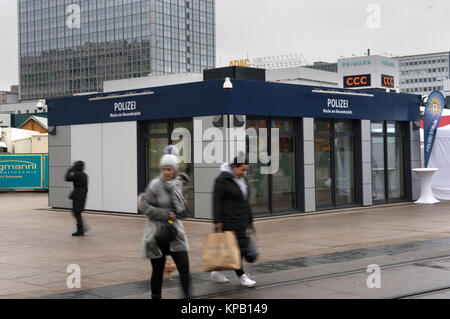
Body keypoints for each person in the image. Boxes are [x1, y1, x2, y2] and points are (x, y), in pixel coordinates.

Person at [138, 145, 191, 299]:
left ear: (175, 170)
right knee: (157, 270)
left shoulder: (179, 184)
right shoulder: (155, 185)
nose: (166, 172)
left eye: (170, 169)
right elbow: (144, 205)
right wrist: (166, 214)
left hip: (175, 233)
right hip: (157, 234)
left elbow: (182, 209)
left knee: (184, 269)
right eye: (164, 169)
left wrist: (181, 212)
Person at [211, 155, 257, 287]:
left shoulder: (242, 180)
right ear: (233, 167)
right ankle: (241, 276)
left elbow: (245, 201)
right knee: (235, 250)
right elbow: (216, 202)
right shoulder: (222, 180)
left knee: (234, 250)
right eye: (242, 169)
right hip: (228, 221)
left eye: (246, 170)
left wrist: (249, 220)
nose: (244, 172)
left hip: (241, 220)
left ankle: (216, 271)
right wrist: (217, 221)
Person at [65, 161, 88, 237]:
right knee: (77, 212)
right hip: (82, 195)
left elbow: (67, 178)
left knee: (76, 212)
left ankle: (81, 230)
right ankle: (82, 229)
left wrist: (70, 169)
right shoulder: (85, 175)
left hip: (78, 196)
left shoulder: (77, 175)